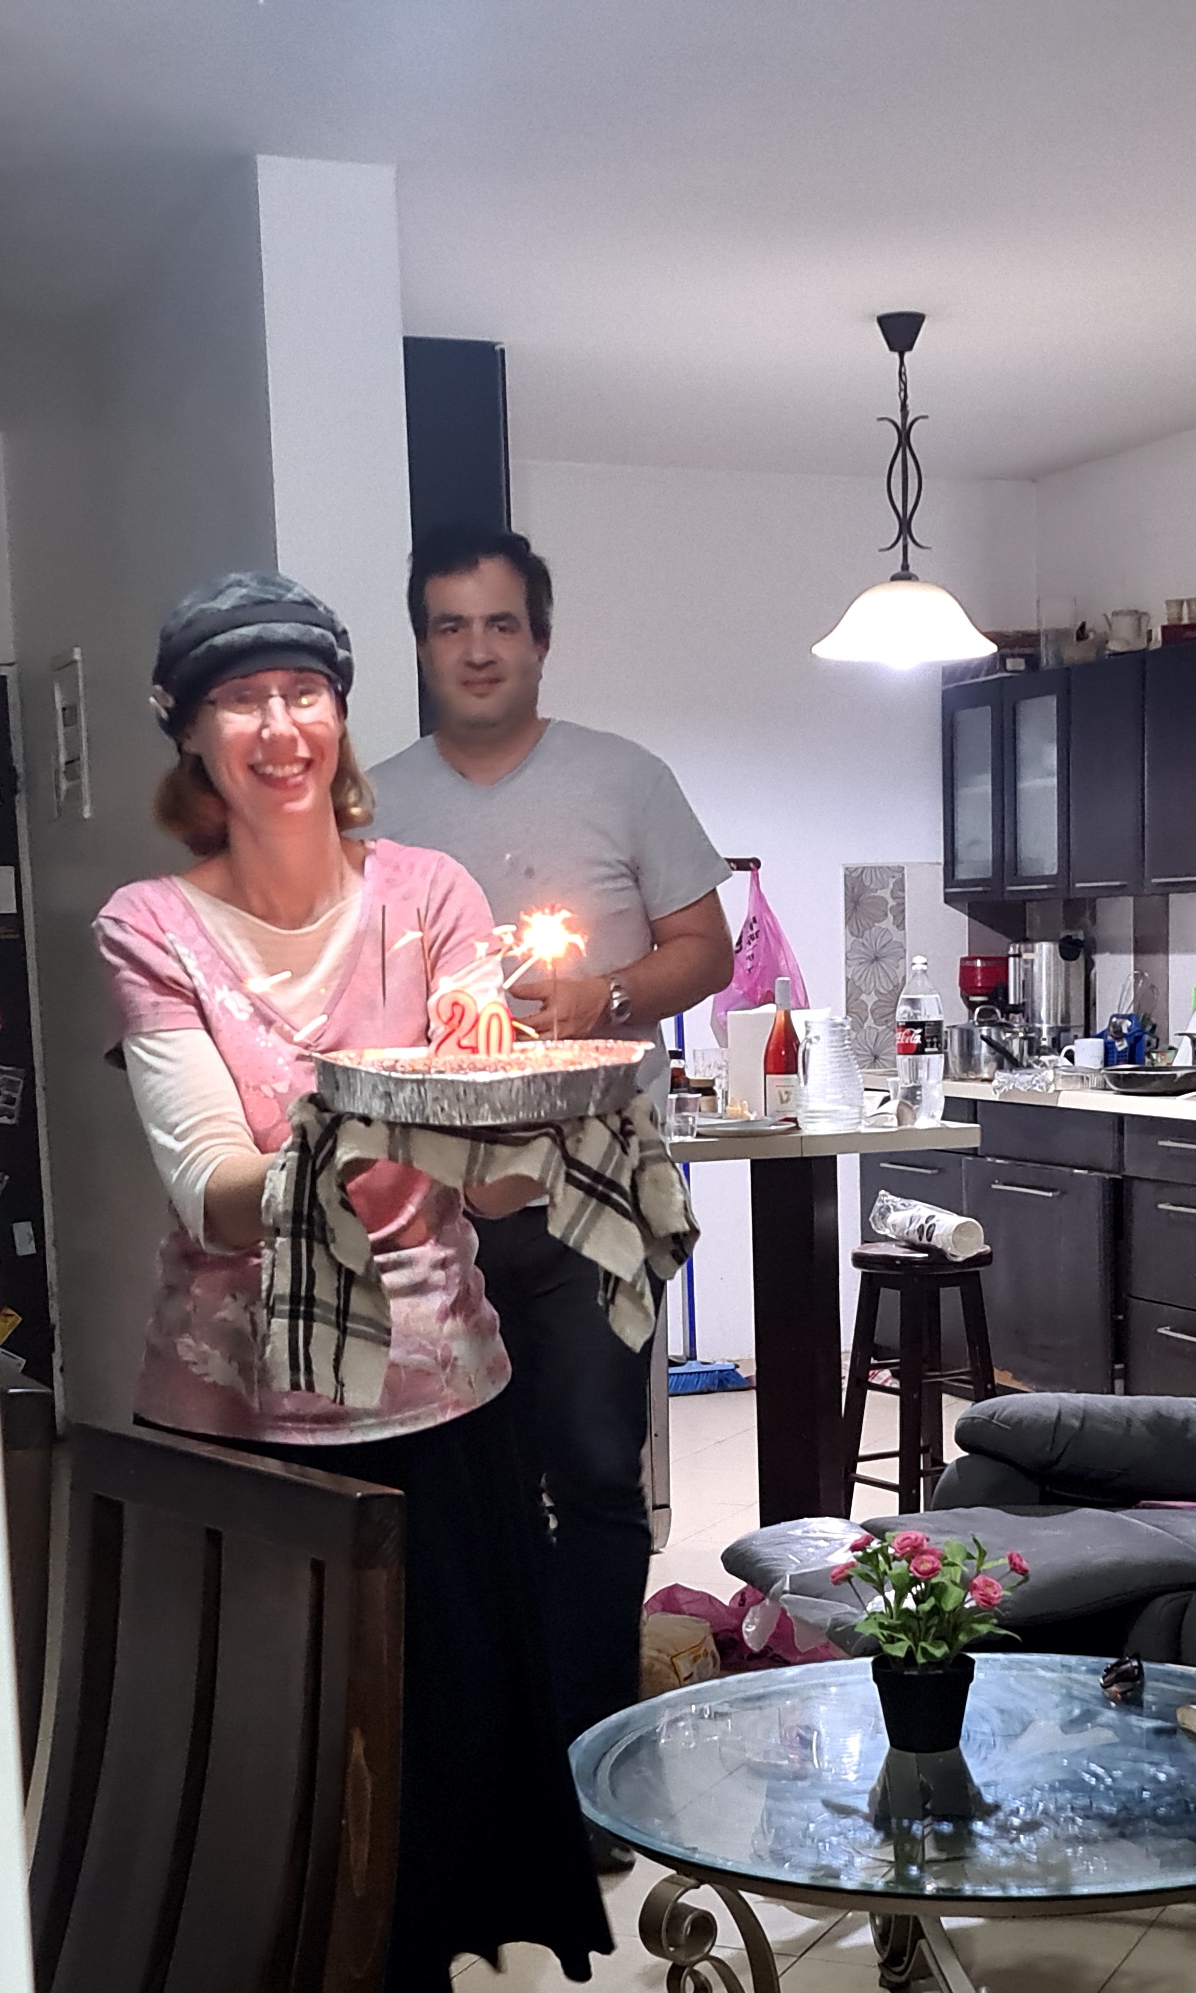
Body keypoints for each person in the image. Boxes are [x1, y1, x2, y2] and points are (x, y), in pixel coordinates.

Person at [93, 571, 610, 1993]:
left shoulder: (435, 901)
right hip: (250, 1441)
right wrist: (380, 1114)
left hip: (438, 1416)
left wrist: (503, 1100)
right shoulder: (156, 926)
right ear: (192, 737)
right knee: (301, 1839)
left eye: (303, 689)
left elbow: (495, 1184)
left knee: (419, 1818)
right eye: (238, 698)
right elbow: (212, 1186)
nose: (280, 725)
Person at [367, 534, 735, 1808]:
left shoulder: (624, 779)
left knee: (593, 1476)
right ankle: (493, 1780)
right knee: (459, 1495)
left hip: (595, 1200)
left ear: (540, 639)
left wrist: (608, 994)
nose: (476, 650)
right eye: (449, 625)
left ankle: (590, 1773)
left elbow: (706, 947)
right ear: (422, 644)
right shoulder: (374, 807)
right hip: (429, 1210)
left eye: (500, 624)